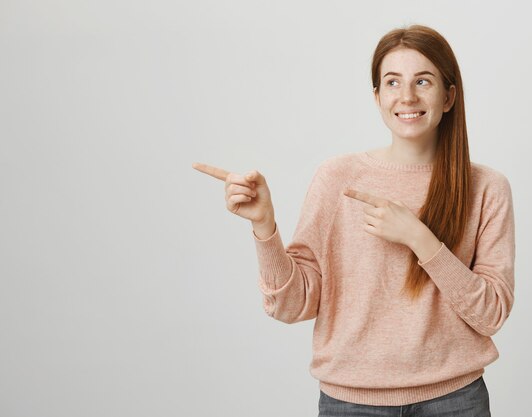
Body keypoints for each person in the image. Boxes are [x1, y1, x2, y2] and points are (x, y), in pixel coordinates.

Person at [193, 23, 514, 417]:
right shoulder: (338, 178)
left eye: (423, 81)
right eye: (392, 82)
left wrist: (421, 240)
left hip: (455, 401)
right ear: (377, 97)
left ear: (449, 96)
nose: (407, 96)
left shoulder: (487, 188)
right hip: (352, 404)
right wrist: (264, 226)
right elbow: (291, 306)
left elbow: (492, 312)